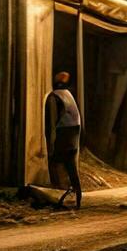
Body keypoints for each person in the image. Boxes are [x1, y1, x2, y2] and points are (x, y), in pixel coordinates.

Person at [45, 71, 83, 208]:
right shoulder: (68, 95)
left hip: (64, 132)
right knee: (71, 165)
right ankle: (77, 196)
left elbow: (51, 123)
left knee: (54, 162)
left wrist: (50, 144)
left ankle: (59, 195)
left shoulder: (54, 97)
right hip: (74, 131)